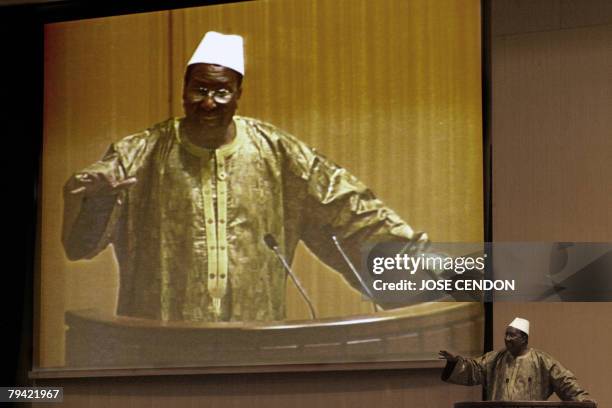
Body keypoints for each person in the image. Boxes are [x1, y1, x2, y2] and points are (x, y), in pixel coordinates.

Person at [62, 31, 427, 322]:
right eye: (199, 90)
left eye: (221, 92)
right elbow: (79, 246)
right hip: (161, 343)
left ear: (238, 95)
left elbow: (347, 210)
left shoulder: (279, 152)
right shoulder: (137, 154)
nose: (209, 102)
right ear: (184, 92)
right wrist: (95, 201)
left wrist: (418, 264)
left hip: (253, 340)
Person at [439, 317, 595, 403]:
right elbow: (473, 370)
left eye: (512, 335)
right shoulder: (494, 359)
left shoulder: (542, 361)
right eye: (506, 334)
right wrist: (455, 361)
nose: (507, 339)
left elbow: (565, 382)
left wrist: (583, 401)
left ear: (524, 339)